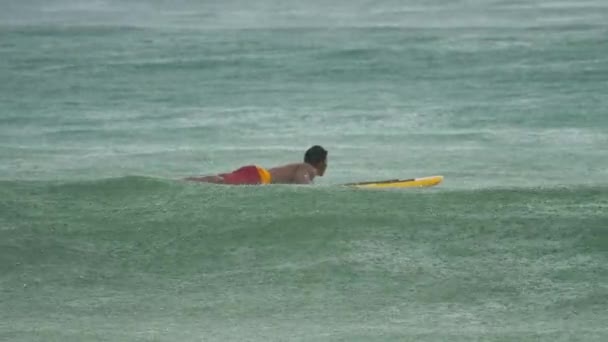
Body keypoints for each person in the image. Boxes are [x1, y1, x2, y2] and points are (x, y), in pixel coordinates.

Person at [184, 145, 328, 185]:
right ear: (321, 162)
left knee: (222, 180)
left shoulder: (301, 167)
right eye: (326, 161)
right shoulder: (308, 168)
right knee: (222, 182)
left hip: (257, 173)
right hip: (259, 176)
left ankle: (189, 180)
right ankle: (187, 181)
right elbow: (302, 183)